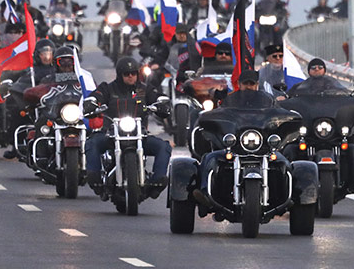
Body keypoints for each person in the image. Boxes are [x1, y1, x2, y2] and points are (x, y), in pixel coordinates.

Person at [83, 56, 171, 196]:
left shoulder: (144, 89)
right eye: (126, 74)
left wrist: (162, 102)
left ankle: (157, 181)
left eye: (133, 73)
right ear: (120, 74)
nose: (131, 76)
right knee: (92, 143)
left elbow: (157, 97)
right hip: (111, 134)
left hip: (140, 134)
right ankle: (95, 178)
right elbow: (97, 96)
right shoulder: (108, 88)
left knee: (163, 146)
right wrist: (92, 102)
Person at [191, 68, 275, 213]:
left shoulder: (267, 101)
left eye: (251, 83)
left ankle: (289, 195)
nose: (248, 86)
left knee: (284, 162)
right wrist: (210, 116)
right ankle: (204, 193)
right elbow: (220, 114)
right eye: (245, 83)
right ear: (239, 84)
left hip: (262, 149)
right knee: (209, 159)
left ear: (257, 84)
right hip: (232, 147)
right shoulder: (230, 101)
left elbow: (276, 114)